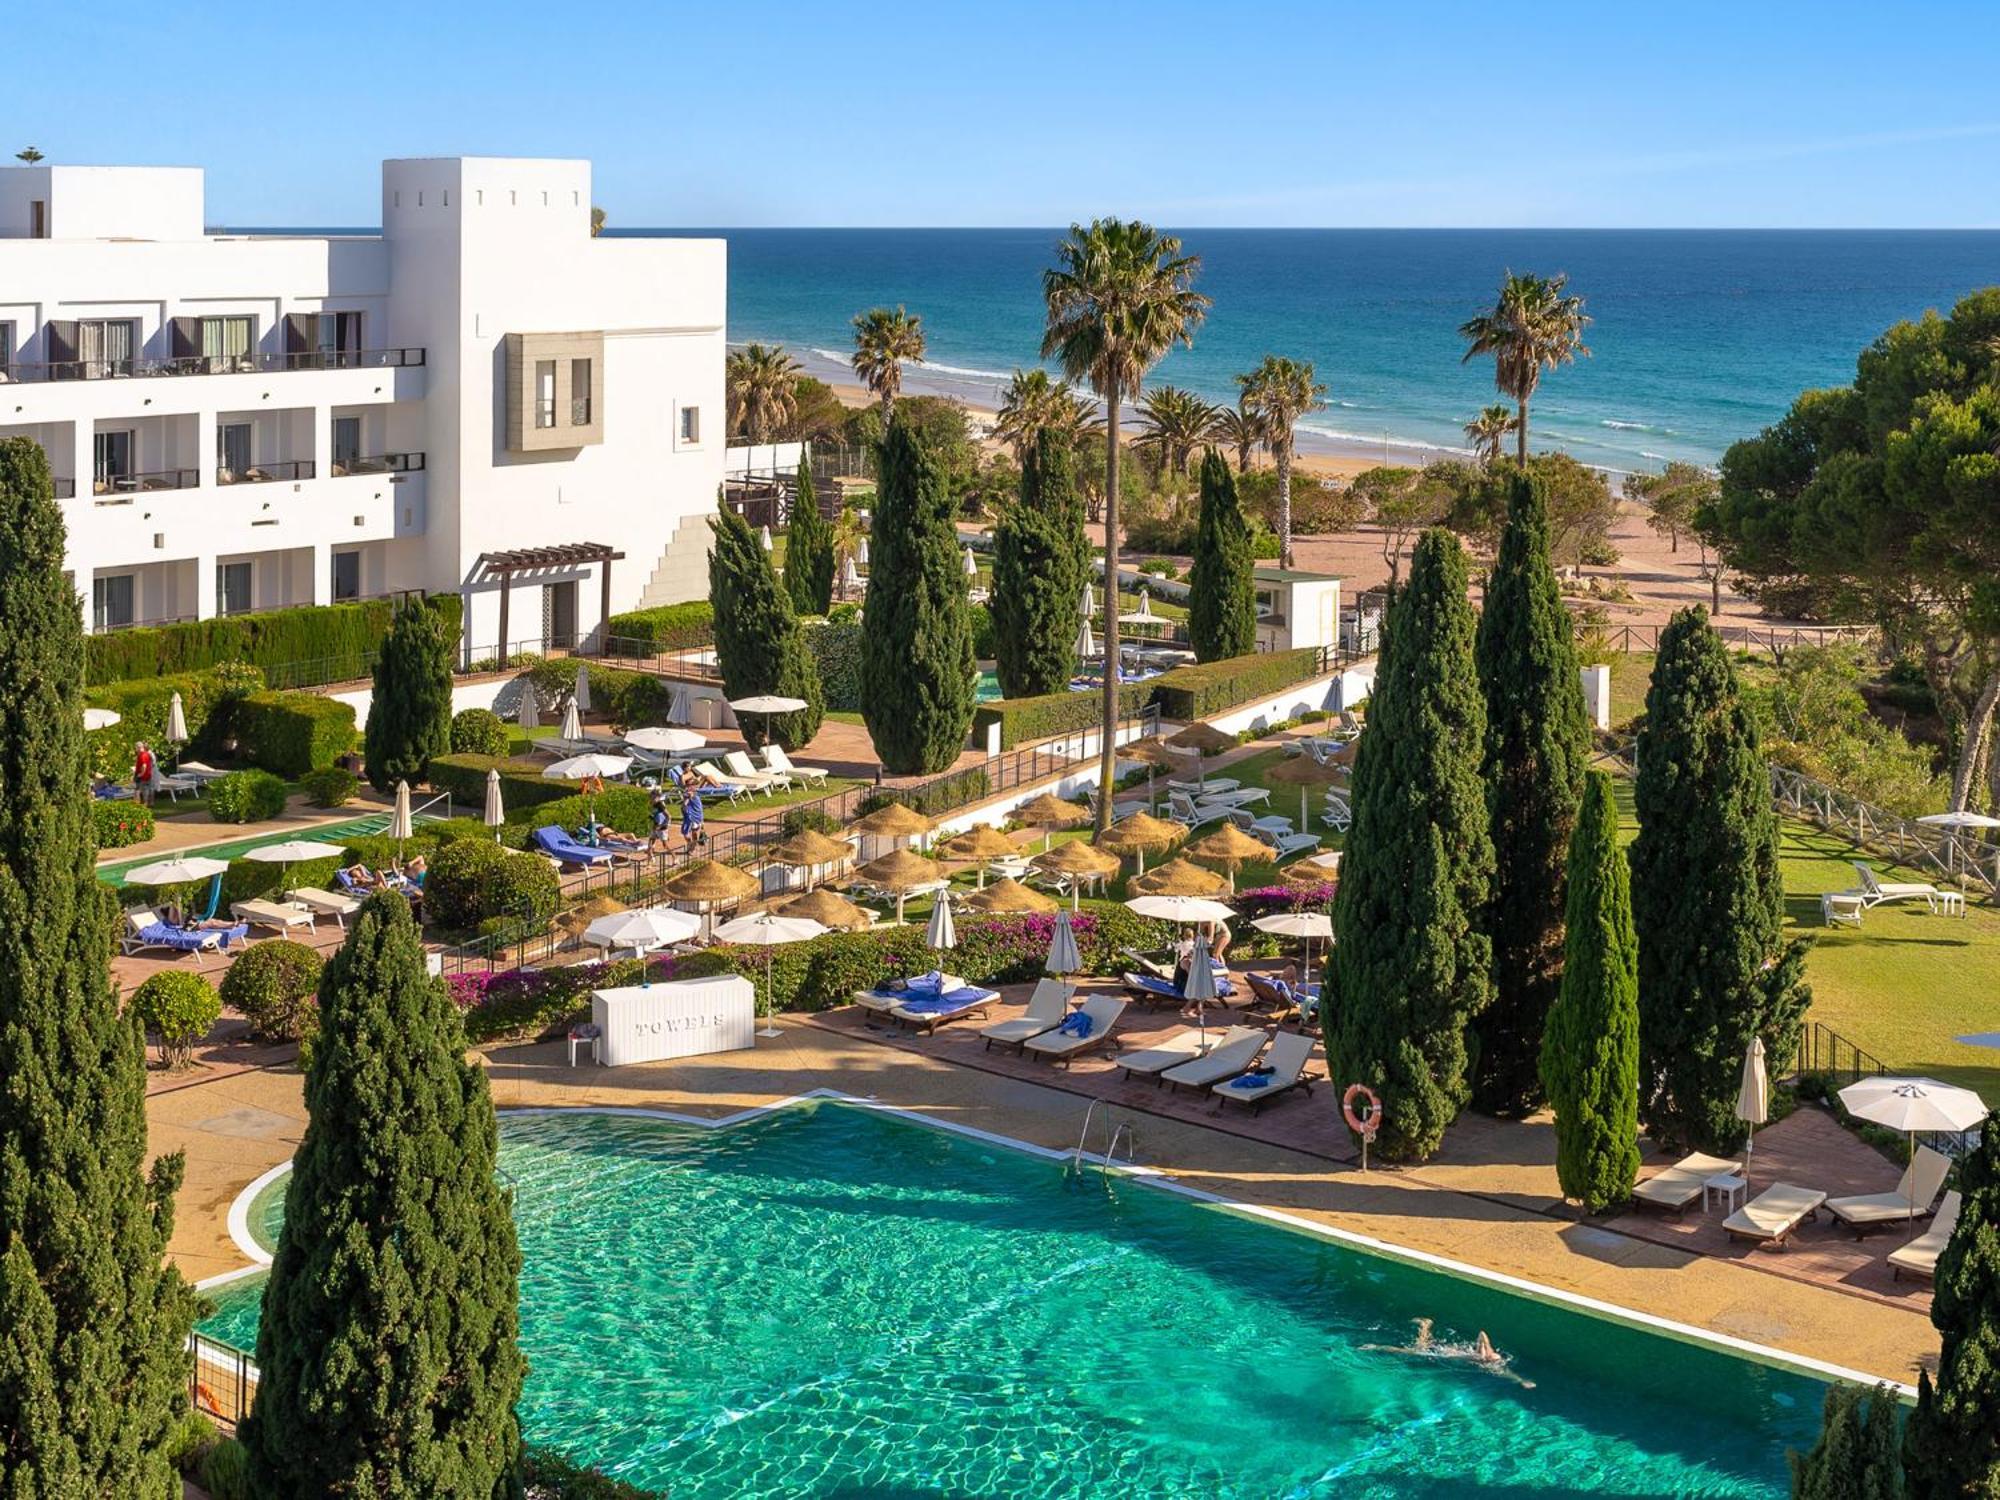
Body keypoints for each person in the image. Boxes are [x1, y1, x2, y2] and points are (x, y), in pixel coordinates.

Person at [1362, 1319, 1534, 1390]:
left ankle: (1425, 1325)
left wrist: (1521, 1380)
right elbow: (1482, 1334)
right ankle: (1376, 1346)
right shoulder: (1480, 1357)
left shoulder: (1485, 1358)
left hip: (1445, 1353)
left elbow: (1506, 1373)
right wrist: (1483, 1350)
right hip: (1443, 1355)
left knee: (1418, 1348)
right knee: (1412, 1351)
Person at [680, 782, 706, 852]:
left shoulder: (696, 798)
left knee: (694, 834)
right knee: (685, 834)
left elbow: (699, 810)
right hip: (687, 818)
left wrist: (702, 821)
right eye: (688, 786)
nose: (688, 788)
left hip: (695, 819)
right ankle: (690, 844)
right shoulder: (687, 797)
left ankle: (692, 848)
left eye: (690, 787)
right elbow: (684, 806)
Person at [132, 741, 156, 807]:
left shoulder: (142, 755)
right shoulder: (147, 754)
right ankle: (151, 803)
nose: (135, 749)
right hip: (148, 774)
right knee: (149, 789)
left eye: (136, 748)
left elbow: (144, 765)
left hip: (142, 776)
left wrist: (141, 774)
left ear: (139, 747)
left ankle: (143, 804)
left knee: (140, 790)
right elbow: (151, 764)